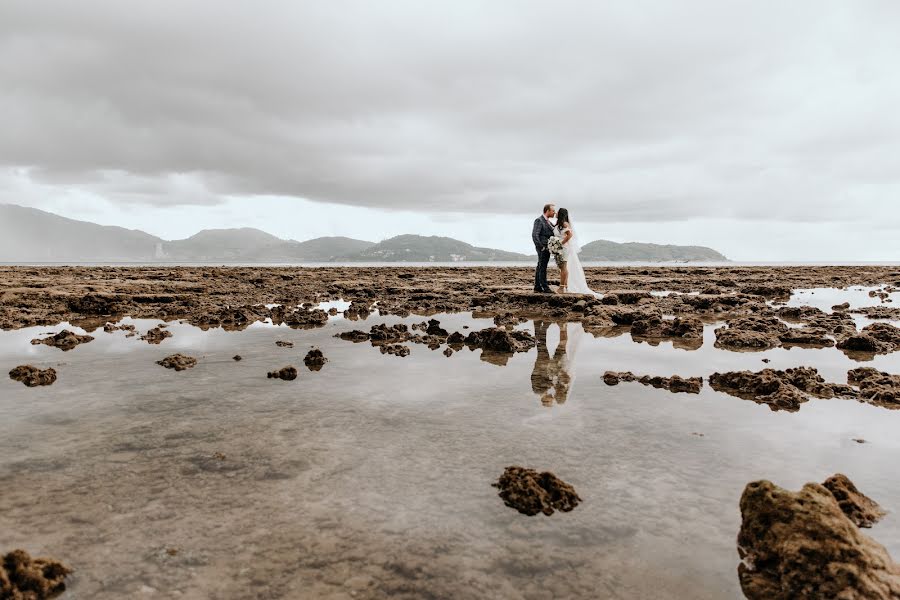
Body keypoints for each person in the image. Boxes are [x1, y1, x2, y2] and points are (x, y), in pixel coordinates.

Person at [553, 207, 598, 296]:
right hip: (559, 249)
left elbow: (570, 235)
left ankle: (562, 287)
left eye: (557, 212)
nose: (556, 213)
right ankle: (564, 286)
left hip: (564, 248)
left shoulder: (565, 224)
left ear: (561, 213)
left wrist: (561, 243)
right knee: (562, 267)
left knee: (563, 267)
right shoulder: (558, 225)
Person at [531, 204, 556, 293]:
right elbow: (535, 235)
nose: (554, 212)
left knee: (540, 266)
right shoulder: (539, 220)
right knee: (543, 267)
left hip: (547, 247)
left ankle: (537, 287)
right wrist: (541, 247)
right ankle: (545, 287)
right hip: (542, 247)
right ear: (547, 211)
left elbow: (555, 230)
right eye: (553, 211)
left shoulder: (549, 222)